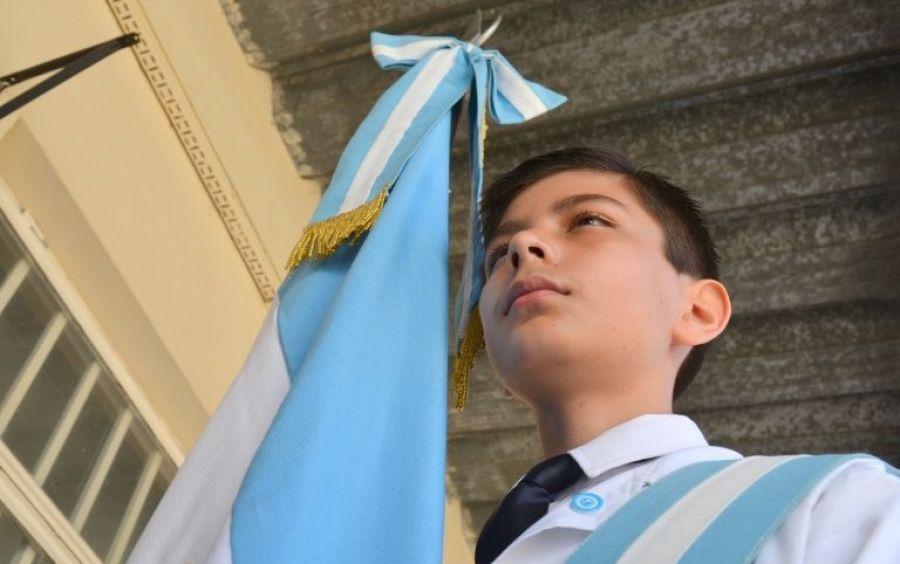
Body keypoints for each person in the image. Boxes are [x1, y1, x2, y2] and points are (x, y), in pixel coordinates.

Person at [472, 147, 900, 563]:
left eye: (588, 220)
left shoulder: (841, 507)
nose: (522, 246)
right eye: (498, 254)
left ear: (698, 312)